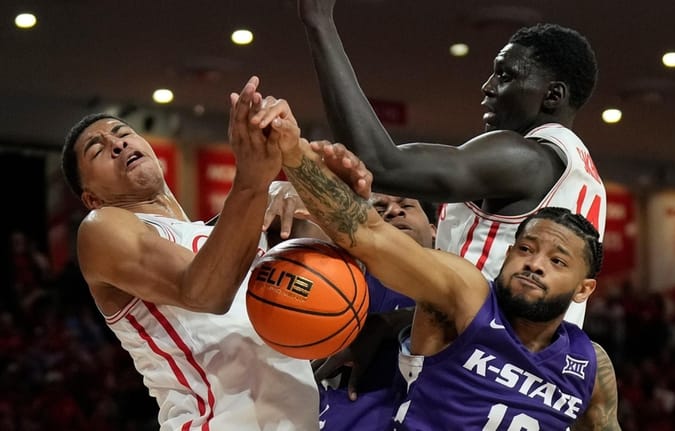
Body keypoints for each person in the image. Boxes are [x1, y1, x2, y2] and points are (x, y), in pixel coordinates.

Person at [259, 108, 620, 429]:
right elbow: (368, 233)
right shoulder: (465, 296)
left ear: (584, 289)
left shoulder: (590, 364)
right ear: (508, 254)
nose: (535, 264)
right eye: (526, 249)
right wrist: (294, 154)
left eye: (556, 261)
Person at [297, 0, 606, 328]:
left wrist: (319, 22)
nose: (488, 87)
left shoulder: (527, 158)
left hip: (479, 363)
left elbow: (381, 162)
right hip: (523, 364)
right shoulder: (580, 169)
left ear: (553, 96)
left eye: (505, 75)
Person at [59, 76, 320, 431]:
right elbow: (202, 292)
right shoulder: (100, 228)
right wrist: (253, 181)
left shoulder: (230, 229)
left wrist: (299, 162)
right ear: (92, 198)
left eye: (122, 133)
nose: (116, 144)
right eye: (97, 150)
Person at [314, 193, 435, 430]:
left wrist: (385, 324)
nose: (393, 211)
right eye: (379, 211)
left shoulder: (464, 290)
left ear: (433, 230)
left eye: (406, 205)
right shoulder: (337, 280)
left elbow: (467, 318)